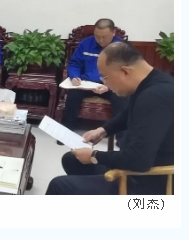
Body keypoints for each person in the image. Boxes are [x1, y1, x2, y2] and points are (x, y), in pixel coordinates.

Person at [46, 42, 174, 195]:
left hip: (150, 183)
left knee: (59, 185)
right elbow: (128, 112)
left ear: (125, 71)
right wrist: (103, 130)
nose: (104, 83)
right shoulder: (152, 81)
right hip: (139, 170)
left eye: (104, 78)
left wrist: (94, 156)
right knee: (72, 159)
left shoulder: (154, 98)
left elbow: (138, 160)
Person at [60, 18, 129, 145]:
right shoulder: (85, 44)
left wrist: (108, 86)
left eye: (104, 37)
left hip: (110, 86)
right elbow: (74, 64)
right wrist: (74, 77)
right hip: (86, 84)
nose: (101, 40)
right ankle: (66, 133)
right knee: (73, 95)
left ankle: (122, 139)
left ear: (113, 32)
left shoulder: (122, 48)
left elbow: (125, 72)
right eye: (97, 36)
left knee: (122, 99)